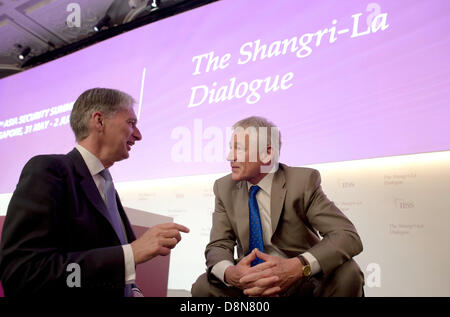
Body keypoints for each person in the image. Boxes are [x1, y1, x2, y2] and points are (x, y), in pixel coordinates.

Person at [0, 88, 189, 297]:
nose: (138, 135)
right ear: (99, 121)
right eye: (131, 123)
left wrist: (133, 291)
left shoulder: (107, 186)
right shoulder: (48, 171)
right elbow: (24, 274)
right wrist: (130, 254)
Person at [191, 116, 364, 297]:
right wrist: (231, 273)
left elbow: (347, 235)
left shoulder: (302, 182)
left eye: (239, 149)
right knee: (204, 286)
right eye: (230, 147)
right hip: (248, 281)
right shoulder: (224, 187)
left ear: (267, 154)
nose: (230, 156)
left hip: (299, 279)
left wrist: (298, 267)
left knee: (347, 273)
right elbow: (218, 245)